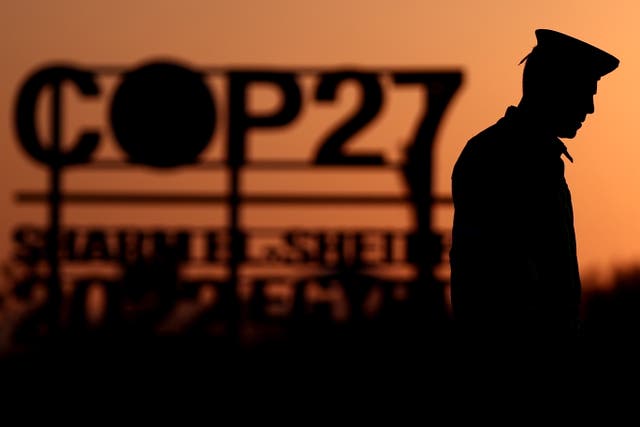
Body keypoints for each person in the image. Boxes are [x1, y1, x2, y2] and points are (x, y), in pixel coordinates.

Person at [449, 29, 619, 342]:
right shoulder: (502, 157)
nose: (591, 107)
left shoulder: (526, 156)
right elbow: (494, 284)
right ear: (554, 87)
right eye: (585, 91)